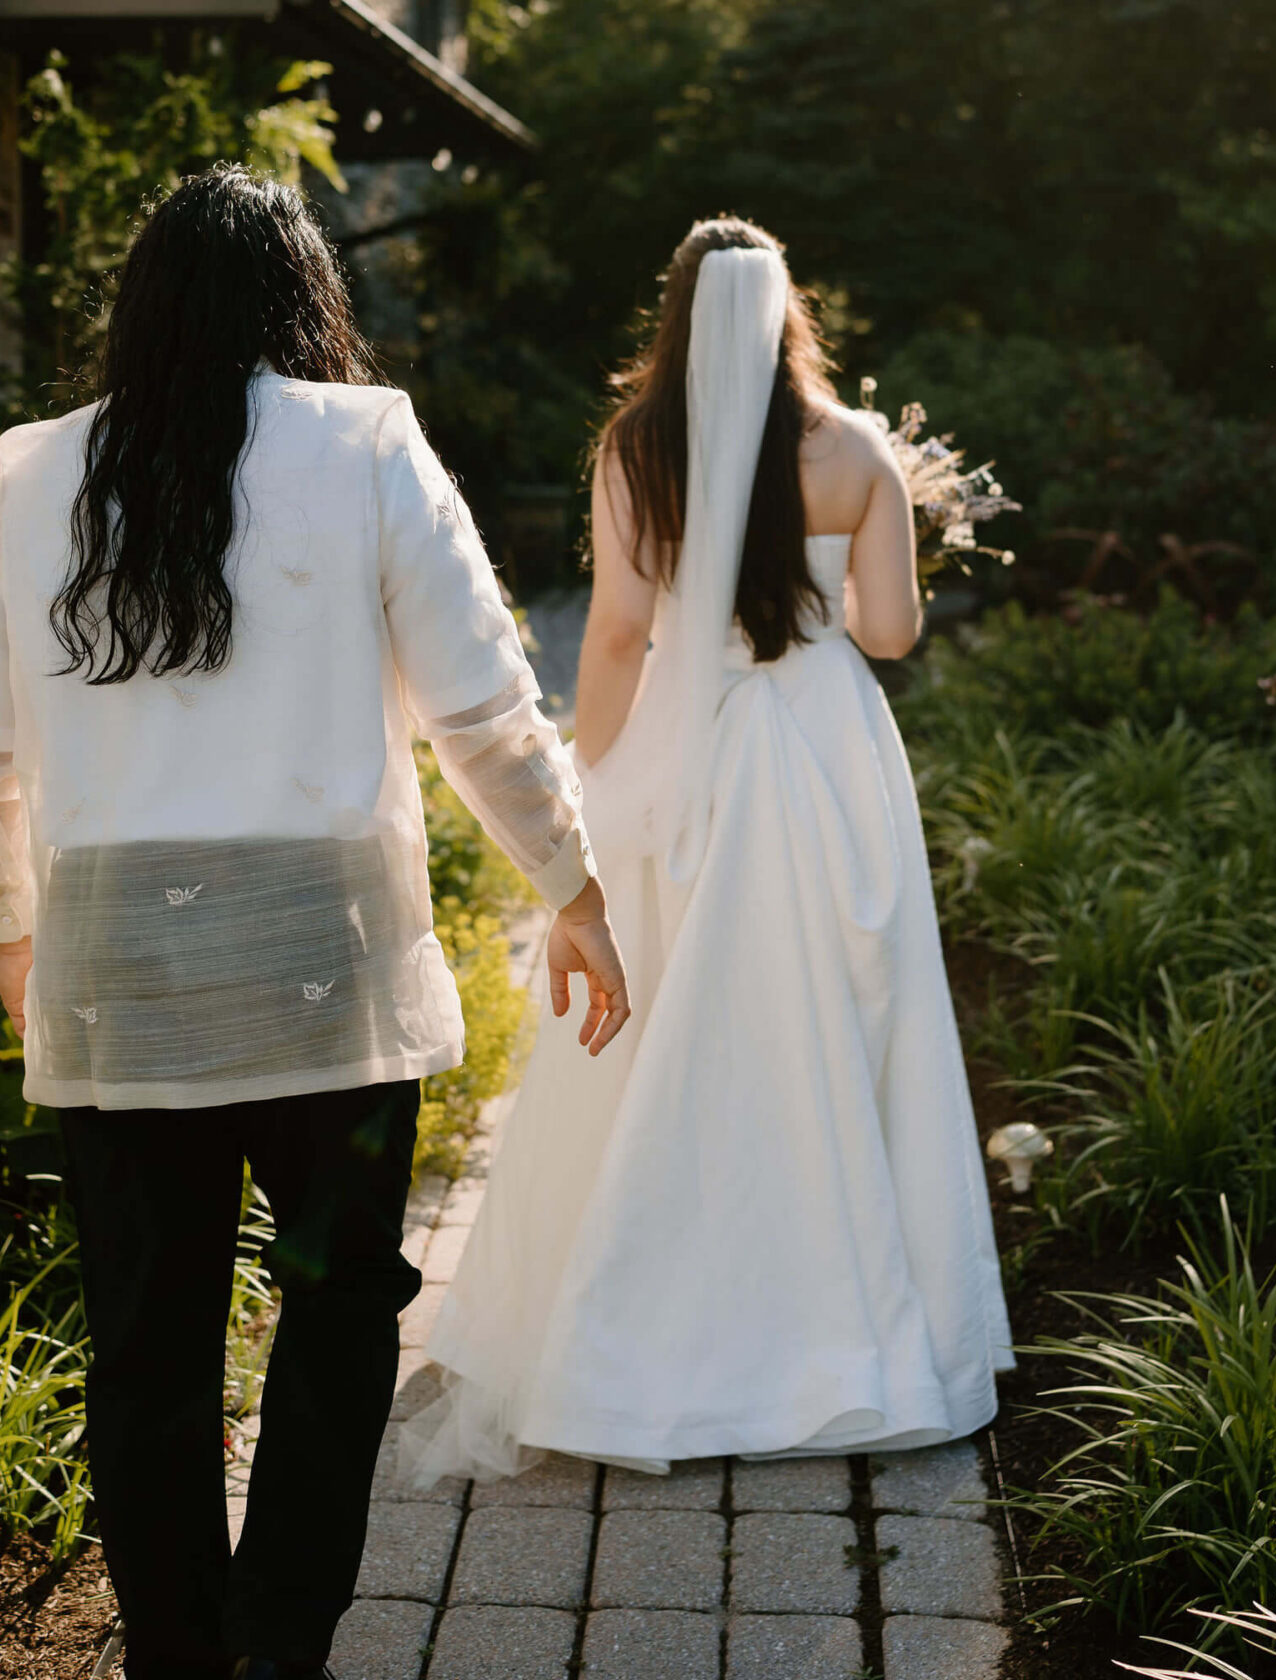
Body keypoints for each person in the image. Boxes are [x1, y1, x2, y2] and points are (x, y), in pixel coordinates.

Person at [0, 167, 629, 1680]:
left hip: (119, 978)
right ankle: (279, 1636)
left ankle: (175, 1653)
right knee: (337, 1308)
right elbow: (486, 708)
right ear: (302, 299)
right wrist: (570, 894)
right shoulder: (364, 443)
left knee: (149, 1338)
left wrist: (13, 943)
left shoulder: (40, 471)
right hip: (328, 975)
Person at [405, 216, 1010, 1484]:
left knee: (677, 1021)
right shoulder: (857, 451)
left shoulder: (636, 450)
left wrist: (598, 778)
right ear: (791, 310)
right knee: (851, 1011)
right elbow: (891, 633)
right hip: (828, 751)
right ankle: (848, 1324)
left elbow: (621, 634)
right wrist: (848, 568)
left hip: (698, 750)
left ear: (673, 313)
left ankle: (637, 1323)